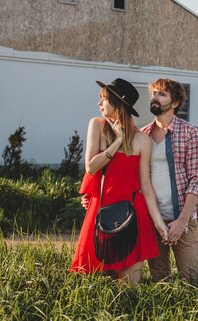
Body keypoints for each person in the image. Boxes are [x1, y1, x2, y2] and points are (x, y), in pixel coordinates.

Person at [70, 78, 169, 284]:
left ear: (117, 104)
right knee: (94, 279)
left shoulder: (142, 140)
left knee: (130, 285)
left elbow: (145, 185)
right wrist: (117, 141)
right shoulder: (96, 125)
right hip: (101, 208)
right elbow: (90, 167)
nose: (99, 104)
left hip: (133, 211)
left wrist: (158, 222)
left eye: (103, 99)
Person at [141, 78, 198, 283]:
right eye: (153, 93)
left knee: (191, 281)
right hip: (153, 221)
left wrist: (182, 221)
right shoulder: (142, 135)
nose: (155, 98)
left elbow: (196, 180)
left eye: (161, 94)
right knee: (159, 281)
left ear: (175, 103)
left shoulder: (191, 133)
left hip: (182, 220)